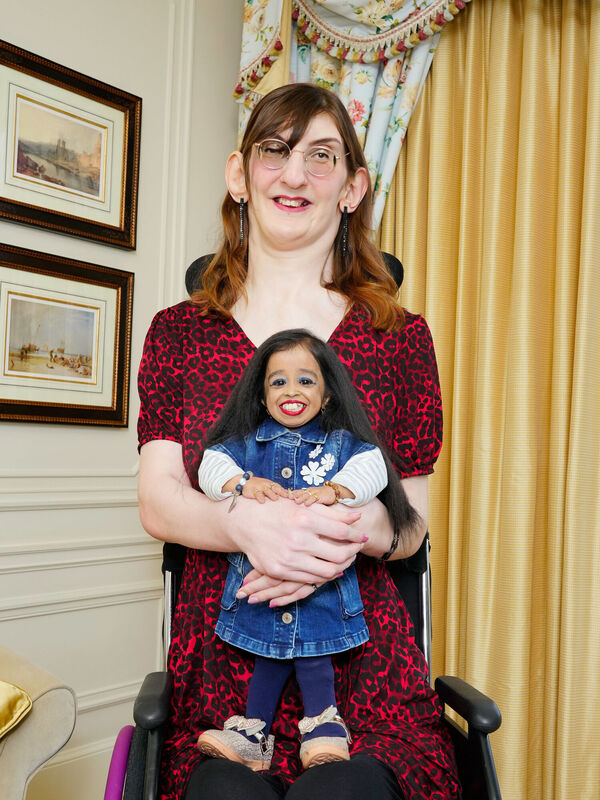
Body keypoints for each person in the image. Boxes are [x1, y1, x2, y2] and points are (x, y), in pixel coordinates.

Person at [137, 83, 460, 800]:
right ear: (239, 174)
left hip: (363, 672)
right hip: (220, 671)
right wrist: (246, 524)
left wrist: (328, 534)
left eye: (321, 156)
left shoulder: (401, 339)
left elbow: (412, 525)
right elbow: (158, 501)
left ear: (353, 188)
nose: (294, 174)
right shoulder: (178, 334)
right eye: (275, 150)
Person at [196, 328, 417, 771]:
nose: (291, 390)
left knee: (316, 653)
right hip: (263, 585)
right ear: (262, 398)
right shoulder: (246, 444)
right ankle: (254, 733)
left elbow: (374, 465)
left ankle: (323, 726)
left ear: (327, 395)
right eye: (278, 381)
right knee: (269, 653)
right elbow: (209, 463)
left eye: (305, 380)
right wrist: (240, 483)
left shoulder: (342, 444)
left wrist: (337, 490)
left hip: (322, 586)